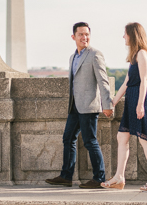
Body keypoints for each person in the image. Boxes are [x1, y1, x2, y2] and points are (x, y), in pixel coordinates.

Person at [45, 22, 114, 189]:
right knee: (68, 138)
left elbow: (103, 81)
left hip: (89, 106)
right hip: (74, 106)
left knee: (90, 141)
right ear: (73, 37)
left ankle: (99, 178)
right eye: (81, 34)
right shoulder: (73, 57)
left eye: (87, 34)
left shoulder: (95, 54)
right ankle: (66, 176)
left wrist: (108, 104)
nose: (84, 37)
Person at [103, 22, 147, 192]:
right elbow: (127, 82)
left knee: (146, 142)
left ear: (133, 35)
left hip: (140, 101)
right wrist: (113, 102)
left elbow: (144, 81)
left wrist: (140, 105)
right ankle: (119, 178)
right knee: (122, 138)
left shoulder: (143, 54)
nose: (123, 36)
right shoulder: (135, 55)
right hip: (132, 100)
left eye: (125, 33)